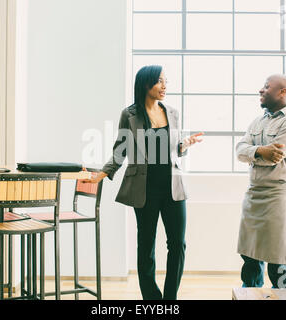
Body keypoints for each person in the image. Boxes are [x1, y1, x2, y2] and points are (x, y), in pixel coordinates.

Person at [84, 65, 203, 300]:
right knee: (146, 245)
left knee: (178, 244)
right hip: (144, 190)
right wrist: (104, 173)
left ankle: (170, 300)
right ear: (145, 84)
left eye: (166, 81)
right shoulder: (129, 115)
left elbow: (174, 150)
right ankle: (152, 300)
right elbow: (121, 149)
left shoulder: (173, 112)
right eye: (159, 81)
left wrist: (185, 145)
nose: (165, 86)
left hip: (173, 187)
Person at [235, 74, 286, 295]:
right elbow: (240, 151)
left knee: (279, 258)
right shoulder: (258, 121)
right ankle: (249, 294)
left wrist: (254, 152)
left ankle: (285, 295)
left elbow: (275, 155)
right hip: (254, 194)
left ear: (283, 92)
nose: (261, 90)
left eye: (267, 87)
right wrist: (259, 151)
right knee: (250, 256)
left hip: (281, 195)